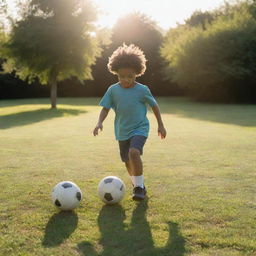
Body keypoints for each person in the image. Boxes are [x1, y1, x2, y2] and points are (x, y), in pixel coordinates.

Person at [93, 44, 167, 201]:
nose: (126, 80)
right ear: (116, 73)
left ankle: (139, 187)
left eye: (130, 76)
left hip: (140, 128)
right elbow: (105, 108)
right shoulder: (112, 90)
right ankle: (138, 185)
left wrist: (160, 124)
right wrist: (99, 122)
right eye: (122, 76)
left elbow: (154, 105)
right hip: (122, 131)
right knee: (127, 161)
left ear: (137, 73)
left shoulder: (142, 90)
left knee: (134, 153)